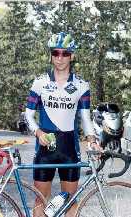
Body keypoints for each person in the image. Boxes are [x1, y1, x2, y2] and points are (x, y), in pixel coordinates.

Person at [25, 32, 101, 216]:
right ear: (50, 55)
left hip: (69, 148)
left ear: (72, 55)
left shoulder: (82, 85)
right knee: (40, 200)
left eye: (65, 53)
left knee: (70, 200)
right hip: (45, 148)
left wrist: (92, 140)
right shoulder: (40, 82)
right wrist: (38, 133)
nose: (59, 58)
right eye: (55, 53)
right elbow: (28, 115)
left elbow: (85, 118)